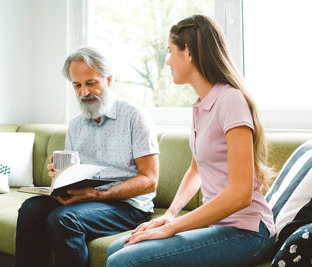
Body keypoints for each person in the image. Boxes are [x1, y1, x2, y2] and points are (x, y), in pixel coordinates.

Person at [106, 14, 276, 267]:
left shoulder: (230, 100)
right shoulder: (200, 105)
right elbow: (196, 170)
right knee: (116, 248)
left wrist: (173, 228)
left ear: (188, 52)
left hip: (248, 231)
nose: (167, 61)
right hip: (217, 225)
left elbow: (240, 195)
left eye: (169, 51)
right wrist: (171, 214)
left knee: (124, 262)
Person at [15, 47, 160, 267]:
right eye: (77, 85)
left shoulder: (135, 117)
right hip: (88, 200)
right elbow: (75, 174)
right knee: (30, 209)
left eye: (91, 83)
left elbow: (149, 181)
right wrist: (61, 180)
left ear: (108, 80)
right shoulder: (75, 124)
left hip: (128, 206)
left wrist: (98, 195)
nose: (84, 92)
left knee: (63, 219)